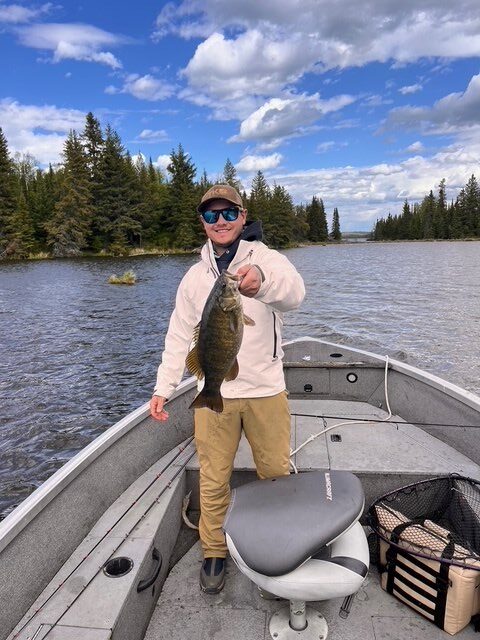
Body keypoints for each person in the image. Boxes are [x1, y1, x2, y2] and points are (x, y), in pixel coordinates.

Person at [150, 184, 305, 594]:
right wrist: (164, 387)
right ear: (202, 222)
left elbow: (294, 294)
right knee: (213, 478)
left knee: (275, 473)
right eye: (210, 215)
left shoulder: (267, 259)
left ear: (242, 214)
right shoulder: (194, 277)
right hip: (213, 390)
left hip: (266, 390)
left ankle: (280, 539)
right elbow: (179, 335)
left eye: (228, 213)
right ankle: (213, 550)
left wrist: (261, 285)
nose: (220, 222)